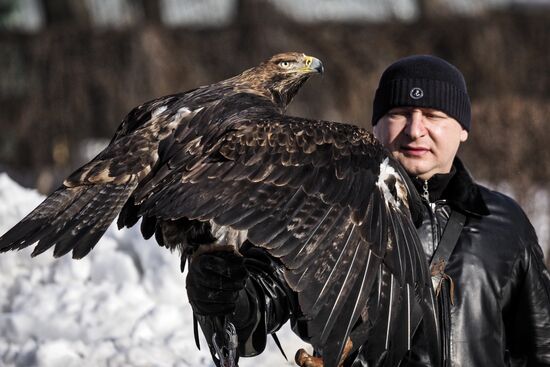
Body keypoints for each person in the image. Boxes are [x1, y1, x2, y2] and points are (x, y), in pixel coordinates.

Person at [186, 55, 550, 366]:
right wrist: (221, 292)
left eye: (433, 114)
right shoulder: (318, 205)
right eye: (401, 113)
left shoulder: (504, 222)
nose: (416, 129)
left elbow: (540, 347)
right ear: (375, 125)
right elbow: (254, 316)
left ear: (463, 128)